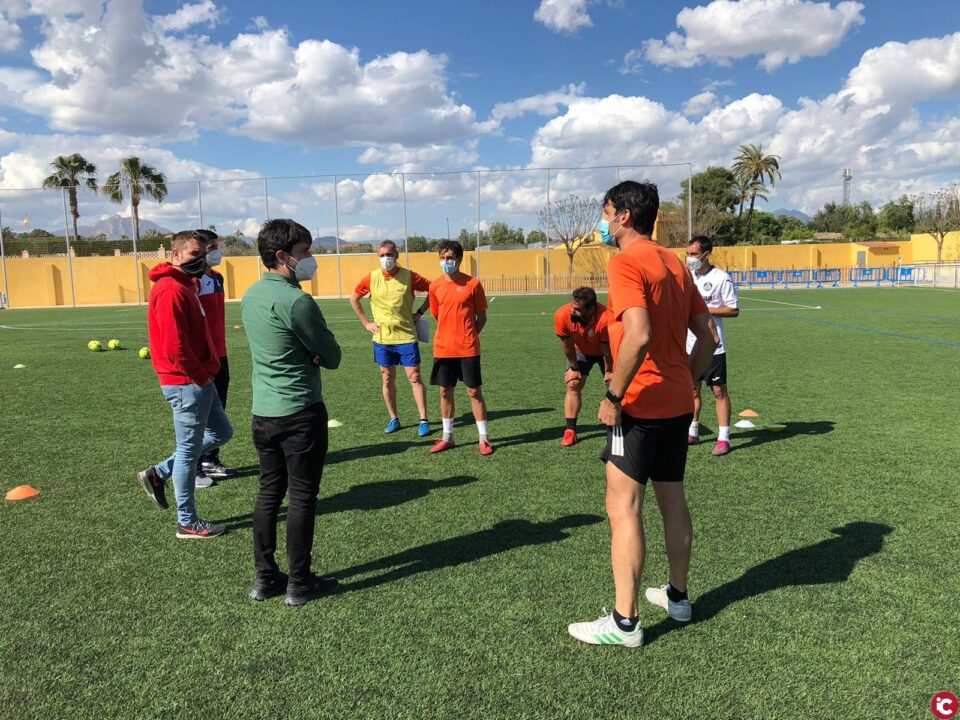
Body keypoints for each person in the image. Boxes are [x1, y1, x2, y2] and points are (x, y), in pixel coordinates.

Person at [568, 181, 718, 648]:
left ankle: (625, 622)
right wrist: (689, 382)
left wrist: (613, 396)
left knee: (623, 506)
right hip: (676, 402)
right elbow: (708, 337)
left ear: (624, 216)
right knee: (672, 498)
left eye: (606, 211)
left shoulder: (626, 261)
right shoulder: (675, 261)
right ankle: (677, 597)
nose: (604, 220)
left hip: (640, 404)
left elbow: (638, 334)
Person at [242, 218, 342, 606]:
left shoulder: (251, 295)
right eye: (305, 253)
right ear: (282, 257)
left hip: (262, 413)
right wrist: (314, 353)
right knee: (302, 497)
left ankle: (265, 578)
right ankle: (300, 583)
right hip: (300, 411)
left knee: (268, 494)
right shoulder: (297, 300)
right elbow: (331, 355)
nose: (311, 260)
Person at [136, 230, 233, 540]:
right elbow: (175, 348)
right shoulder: (170, 290)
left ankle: (159, 473)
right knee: (189, 453)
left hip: (200, 378)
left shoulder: (185, 285)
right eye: (194, 254)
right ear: (175, 255)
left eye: (203, 254)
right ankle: (187, 522)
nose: (200, 260)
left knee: (222, 433)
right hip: (187, 383)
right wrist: (201, 376)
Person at [349, 240, 432, 437]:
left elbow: (433, 289)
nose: (386, 259)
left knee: (414, 377)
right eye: (381, 255)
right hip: (382, 339)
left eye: (389, 254)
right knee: (387, 378)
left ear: (396, 255)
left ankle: (423, 420)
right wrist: (366, 323)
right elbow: (353, 298)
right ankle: (394, 418)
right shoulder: (371, 278)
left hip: (406, 336)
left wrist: (419, 312)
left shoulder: (409, 276)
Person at [427, 240, 492, 456]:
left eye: (450, 258)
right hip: (444, 348)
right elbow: (437, 314)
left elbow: (481, 317)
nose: (447, 262)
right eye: (443, 258)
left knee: (474, 391)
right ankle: (448, 437)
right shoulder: (435, 286)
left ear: (459, 259)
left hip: (467, 348)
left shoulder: (473, 284)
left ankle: (483, 438)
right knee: (445, 391)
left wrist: (469, 335)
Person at [685, 235, 740, 456]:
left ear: (707, 255)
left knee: (718, 391)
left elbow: (733, 310)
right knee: (692, 389)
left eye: (694, 254)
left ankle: (724, 438)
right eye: (687, 254)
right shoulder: (686, 277)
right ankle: (692, 431)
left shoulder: (721, 278)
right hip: (689, 344)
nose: (690, 259)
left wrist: (703, 311)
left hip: (713, 346)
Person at [194, 228, 237, 481]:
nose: (216, 252)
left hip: (221, 354)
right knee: (202, 413)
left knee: (219, 408)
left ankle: (210, 458)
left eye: (216, 247)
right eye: (211, 248)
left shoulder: (218, 278)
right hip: (203, 357)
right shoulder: (194, 281)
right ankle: (196, 465)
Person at [554, 286, 613, 447]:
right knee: (573, 383)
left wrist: (609, 372)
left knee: (614, 387)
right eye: (572, 307)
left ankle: (617, 426)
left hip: (605, 352)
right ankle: (570, 431)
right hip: (580, 351)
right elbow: (567, 345)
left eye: (578, 309)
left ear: (591, 309)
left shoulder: (606, 317)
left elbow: (607, 351)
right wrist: (574, 368)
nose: (573, 311)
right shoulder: (562, 315)